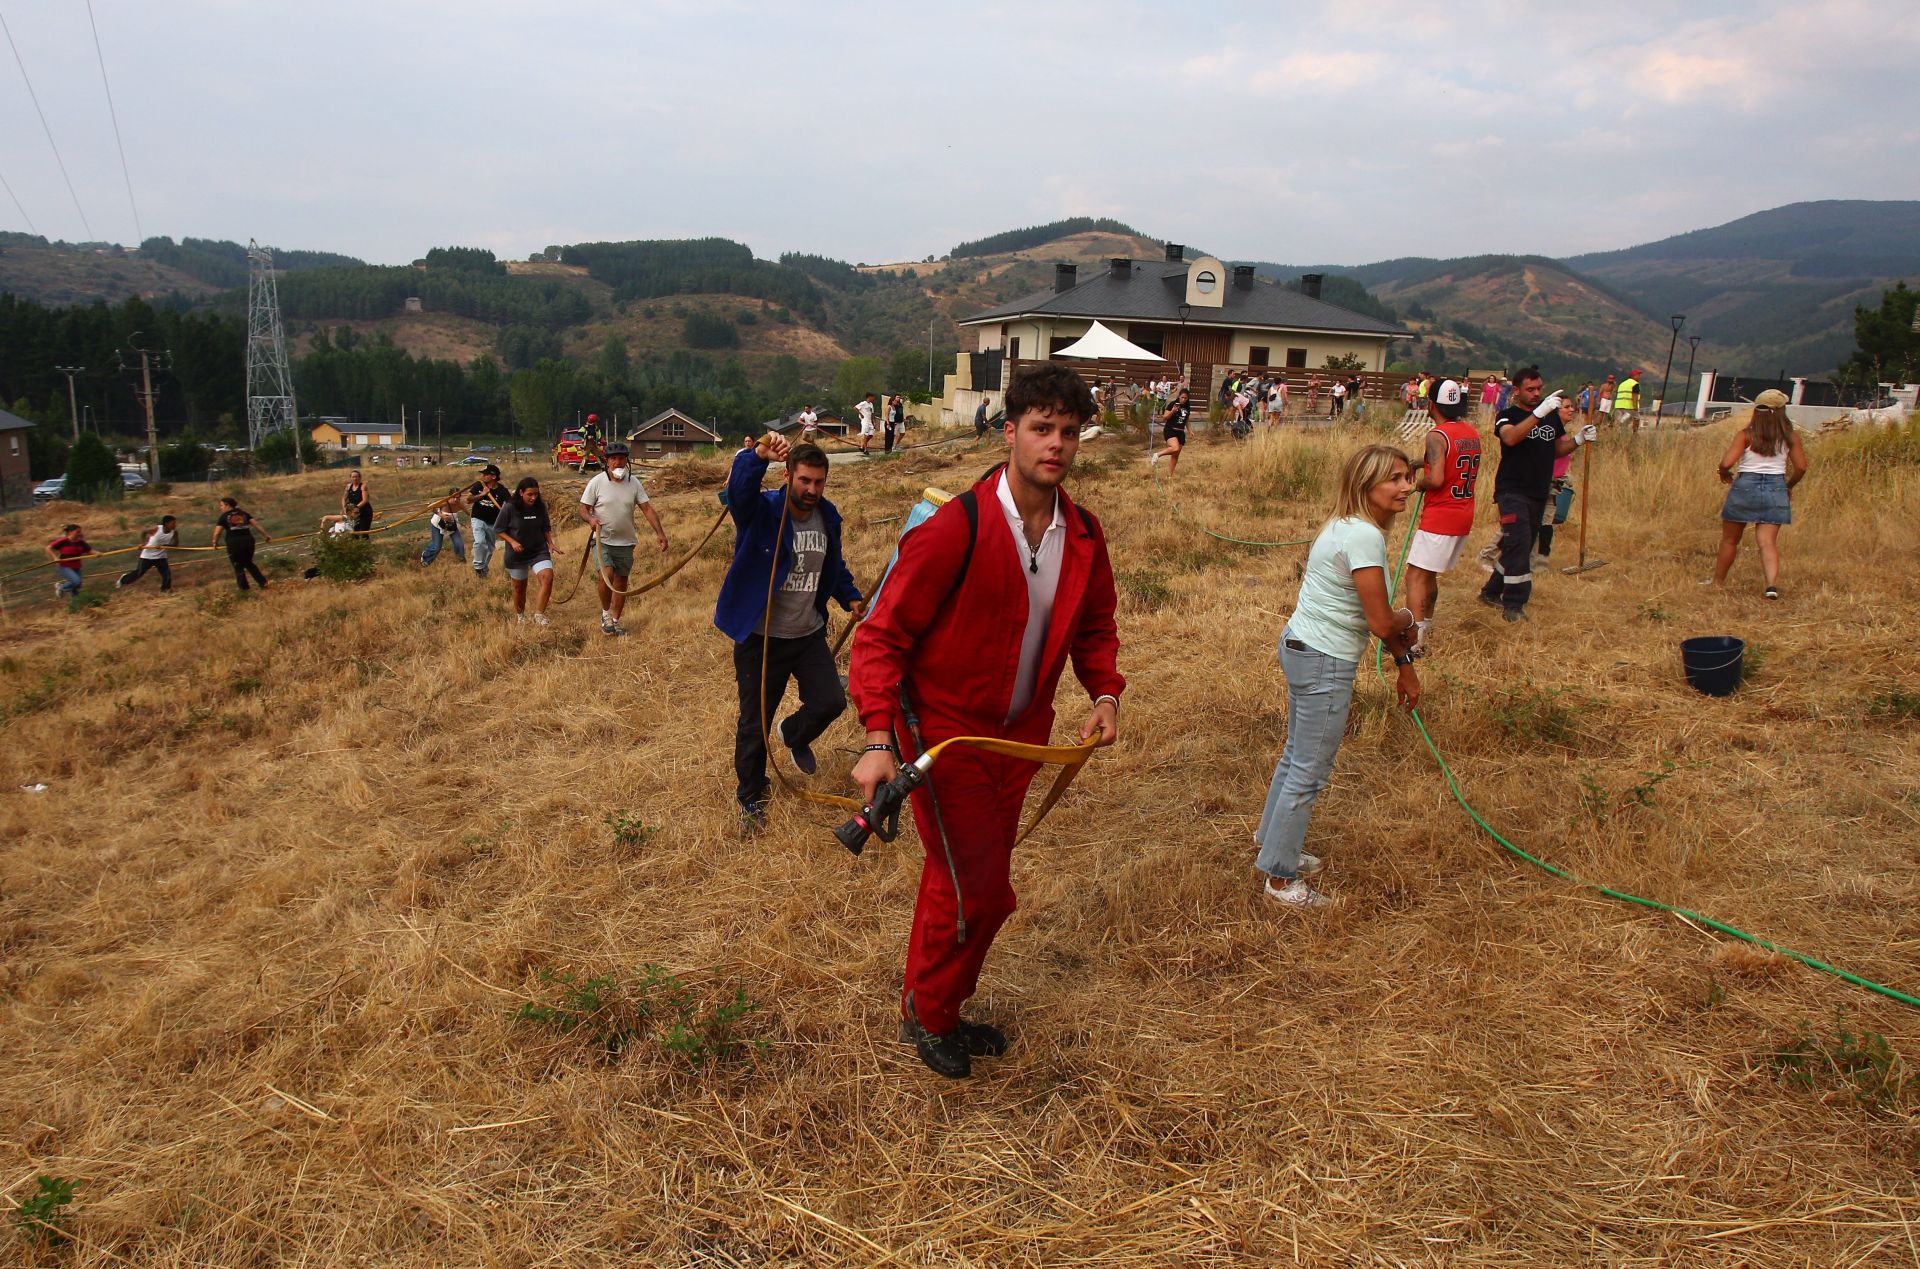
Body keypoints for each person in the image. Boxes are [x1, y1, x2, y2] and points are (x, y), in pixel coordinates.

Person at [849, 361, 1122, 1079]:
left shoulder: (1085, 535)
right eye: (1041, 428)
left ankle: (932, 1001)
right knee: (984, 889)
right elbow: (879, 636)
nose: (1056, 444)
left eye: (1068, 431)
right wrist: (880, 739)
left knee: (958, 877)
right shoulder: (954, 527)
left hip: (1021, 741)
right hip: (946, 738)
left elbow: (1095, 628)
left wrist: (1105, 692)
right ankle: (932, 1012)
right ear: (1010, 433)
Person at [1254, 445, 1420, 909]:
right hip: (1324, 659)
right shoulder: (1364, 537)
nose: (1407, 486)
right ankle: (1280, 881)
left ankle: (1273, 846)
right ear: (1367, 485)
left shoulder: (1343, 525)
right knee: (1309, 769)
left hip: (1301, 645)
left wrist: (1403, 664)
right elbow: (1383, 623)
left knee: (1295, 756)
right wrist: (1410, 617)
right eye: (1396, 478)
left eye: (1408, 477)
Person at [714, 434, 864, 830]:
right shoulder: (763, 511)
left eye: (818, 482)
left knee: (831, 701)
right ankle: (750, 796)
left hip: (808, 633)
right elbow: (739, 493)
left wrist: (849, 596)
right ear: (788, 476)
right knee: (754, 722)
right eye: (805, 481)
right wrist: (755, 456)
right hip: (762, 639)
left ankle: (794, 734)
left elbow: (834, 566)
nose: (812, 489)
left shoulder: (827, 518)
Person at [1478, 369, 1595, 621]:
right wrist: (1538, 414)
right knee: (1519, 542)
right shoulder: (1507, 415)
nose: (1536, 394)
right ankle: (1515, 604)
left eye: (1539, 388)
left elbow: (1555, 450)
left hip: (1539, 491)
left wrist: (1578, 439)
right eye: (1530, 389)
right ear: (1517, 391)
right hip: (1512, 490)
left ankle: (1490, 591)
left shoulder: (1552, 419)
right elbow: (1510, 438)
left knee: (1519, 544)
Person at [1404, 380, 1481, 656]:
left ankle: (1413, 640)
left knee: (1414, 577)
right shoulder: (1470, 432)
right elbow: (1452, 461)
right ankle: (1425, 627)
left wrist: (1418, 485)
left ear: (1432, 404)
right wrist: (1418, 462)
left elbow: (1436, 479)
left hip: (1441, 515)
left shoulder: (1437, 435)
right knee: (1428, 574)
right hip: (1463, 513)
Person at [1709, 389, 1808, 598]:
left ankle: (1718, 582)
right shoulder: (1791, 437)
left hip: (1745, 485)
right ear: (1781, 410)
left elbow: (1727, 462)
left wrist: (1724, 472)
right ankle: (1771, 585)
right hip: (1776, 487)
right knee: (1767, 542)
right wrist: (1788, 486)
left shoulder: (1746, 435)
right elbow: (1801, 467)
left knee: (1730, 540)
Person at [578, 440, 669, 636]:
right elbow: (583, 509)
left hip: (626, 541)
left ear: (627, 461)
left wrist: (660, 533)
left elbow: (647, 508)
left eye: (621, 459)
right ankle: (605, 613)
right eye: (613, 459)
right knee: (607, 574)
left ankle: (615, 621)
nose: (617, 463)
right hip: (602, 539)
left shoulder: (634, 483)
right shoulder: (596, 482)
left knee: (621, 582)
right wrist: (591, 520)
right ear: (607, 462)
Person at [495, 476, 560, 625]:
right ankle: (521, 616)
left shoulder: (541, 506)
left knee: (547, 577)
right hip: (517, 554)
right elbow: (498, 530)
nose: (533, 498)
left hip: (538, 550)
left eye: (536, 494)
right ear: (521, 492)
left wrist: (550, 543)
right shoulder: (509, 507)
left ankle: (539, 615)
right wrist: (512, 542)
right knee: (519, 588)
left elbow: (545, 527)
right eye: (530, 494)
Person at [1534, 397, 1579, 565]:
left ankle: (1540, 561)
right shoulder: (1547, 432)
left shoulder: (1563, 434)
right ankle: (1491, 555)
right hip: (1542, 482)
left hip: (1555, 484)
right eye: (1566, 407)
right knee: (1532, 522)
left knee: (1546, 523)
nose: (1571, 409)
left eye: (1572, 406)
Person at [212, 497, 271, 591]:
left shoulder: (224, 516)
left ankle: (244, 590)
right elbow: (256, 525)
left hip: (235, 544)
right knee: (249, 563)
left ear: (228, 505)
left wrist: (215, 542)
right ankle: (263, 583)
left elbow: (217, 532)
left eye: (221, 505)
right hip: (248, 542)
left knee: (238, 565)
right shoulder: (244, 514)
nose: (220, 508)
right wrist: (266, 535)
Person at [465, 464, 510, 579]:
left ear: (493, 476)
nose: (483, 476)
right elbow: (468, 499)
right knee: (480, 542)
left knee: (490, 548)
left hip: (493, 522)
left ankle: (483, 569)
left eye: (485, 474)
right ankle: (478, 567)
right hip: (478, 518)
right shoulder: (479, 485)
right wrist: (482, 494)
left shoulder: (502, 491)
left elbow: (510, 504)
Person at [118, 515, 178, 592]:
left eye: (175, 523)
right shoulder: (156, 529)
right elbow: (144, 532)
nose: (175, 525)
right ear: (166, 524)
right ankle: (123, 579)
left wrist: (164, 546)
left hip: (161, 557)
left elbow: (175, 545)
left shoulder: (174, 532)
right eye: (173, 523)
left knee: (167, 575)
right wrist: (143, 543)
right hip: (147, 556)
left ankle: (165, 591)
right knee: (139, 573)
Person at [46, 523, 95, 598]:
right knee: (76, 581)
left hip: (76, 567)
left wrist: (98, 554)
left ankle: (76, 605)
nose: (80, 534)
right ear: (70, 532)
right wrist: (55, 558)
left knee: (77, 585)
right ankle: (61, 588)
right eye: (77, 532)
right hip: (64, 566)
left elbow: (89, 551)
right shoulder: (63, 541)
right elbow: (48, 548)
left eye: (80, 532)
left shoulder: (81, 542)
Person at [420, 489, 466, 568]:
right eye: (454, 497)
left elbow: (467, 512)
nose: (456, 499)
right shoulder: (444, 502)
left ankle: (461, 561)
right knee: (437, 547)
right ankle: (425, 558)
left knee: (459, 544)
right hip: (438, 524)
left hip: (451, 526)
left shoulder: (459, 504)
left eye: (458, 497)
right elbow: (430, 507)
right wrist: (441, 515)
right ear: (449, 496)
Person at [1151, 388, 1191, 473]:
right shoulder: (1173, 404)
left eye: (1185, 398)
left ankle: (1169, 476)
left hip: (1180, 432)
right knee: (1175, 448)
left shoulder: (1187, 407)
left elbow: (1186, 420)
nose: (1183, 399)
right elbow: (1164, 418)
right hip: (1170, 430)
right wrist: (1172, 411)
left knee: (1175, 455)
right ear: (1179, 396)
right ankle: (1157, 455)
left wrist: (1190, 431)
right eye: (1182, 397)